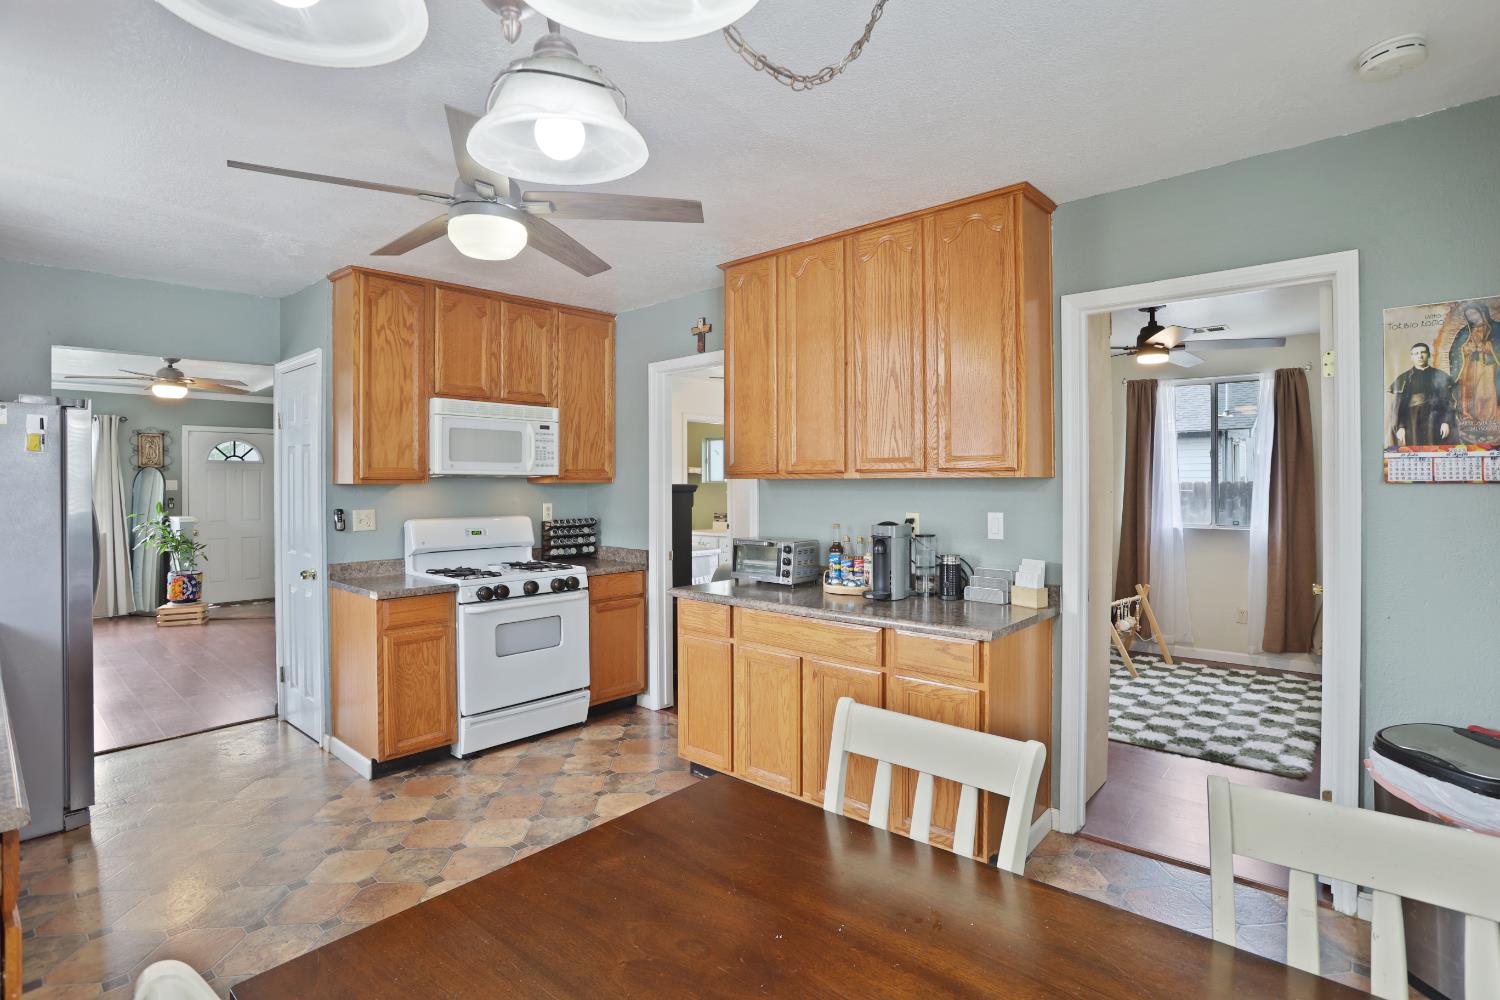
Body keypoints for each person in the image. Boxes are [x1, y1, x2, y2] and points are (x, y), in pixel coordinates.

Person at [1448, 301, 1500, 439]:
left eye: (1474, 313)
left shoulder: (1496, 328)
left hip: (1489, 367)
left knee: (1487, 393)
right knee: (1469, 393)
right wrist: (1465, 349)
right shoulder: (1465, 332)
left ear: (1482, 312)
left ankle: (1488, 422)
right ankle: (1469, 419)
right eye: (1468, 315)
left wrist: (1489, 348)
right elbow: (1455, 351)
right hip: (1469, 368)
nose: (1471, 317)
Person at [1389, 342, 1454, 447]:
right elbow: (1399, 406)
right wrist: (1400, 427)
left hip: (1436, 420)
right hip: (1412, 421)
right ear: (1412, 357)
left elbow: (1448, 402)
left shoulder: (1440, 376)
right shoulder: (1404, 378)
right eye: (1416, 353)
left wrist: (1446, 422)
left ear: (1428, 355)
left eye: (1423, 352)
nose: (1420, 356)